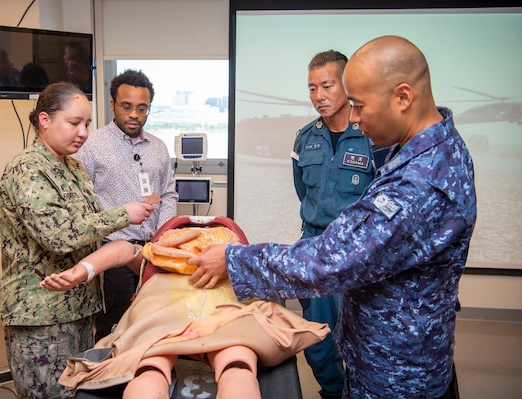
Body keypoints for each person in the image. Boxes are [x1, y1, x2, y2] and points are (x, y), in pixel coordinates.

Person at [188, 35, 476, 398]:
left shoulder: (421, 182)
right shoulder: (427, 149)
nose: (354, 116)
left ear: (403, 97)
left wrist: (234, 261)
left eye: (359, 104)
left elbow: (330, 260)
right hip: (388, 353)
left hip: (398, 377)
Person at [41, 223, 329, 399]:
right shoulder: (238, 260)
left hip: (164, 322)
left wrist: (84, 270)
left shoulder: (163, 257)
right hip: (224, 318)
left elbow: (122, 250)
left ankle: (157, 370)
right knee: (237, 367)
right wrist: (82, 271)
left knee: (151, 370)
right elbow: (122, 249)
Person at [0, 82, 154, 399]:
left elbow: (87, 223)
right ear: (45, 120)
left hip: (79, 310)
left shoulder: (73, 167)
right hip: (42, 317)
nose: (83, 132)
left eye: (86, 124)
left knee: (79, 392)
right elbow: (59, 234)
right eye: (74, 123)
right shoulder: (27, 168)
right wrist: (124, 214)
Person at [291, 50, 377, 399]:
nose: (318, 97)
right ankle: (332, 392)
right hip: (313, 248)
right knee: (317, 339)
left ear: (346, 84)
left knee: (359, 338)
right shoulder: (304, 138)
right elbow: (302, 191)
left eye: (326, 86)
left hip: (356, 255)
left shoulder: (374, 138)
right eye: (312, 88)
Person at [75, 69, 178, 340]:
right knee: (115, 326)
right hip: (114, 254)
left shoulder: (158, 147)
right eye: (127, 106)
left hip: (153, 251)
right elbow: (78, 199)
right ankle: (110, 380)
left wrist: (163, 237)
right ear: (112, 105)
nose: (134, 114)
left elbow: (168, 194)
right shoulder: (92, 145)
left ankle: (147, 378)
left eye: (142, 108)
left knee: (153, 322)